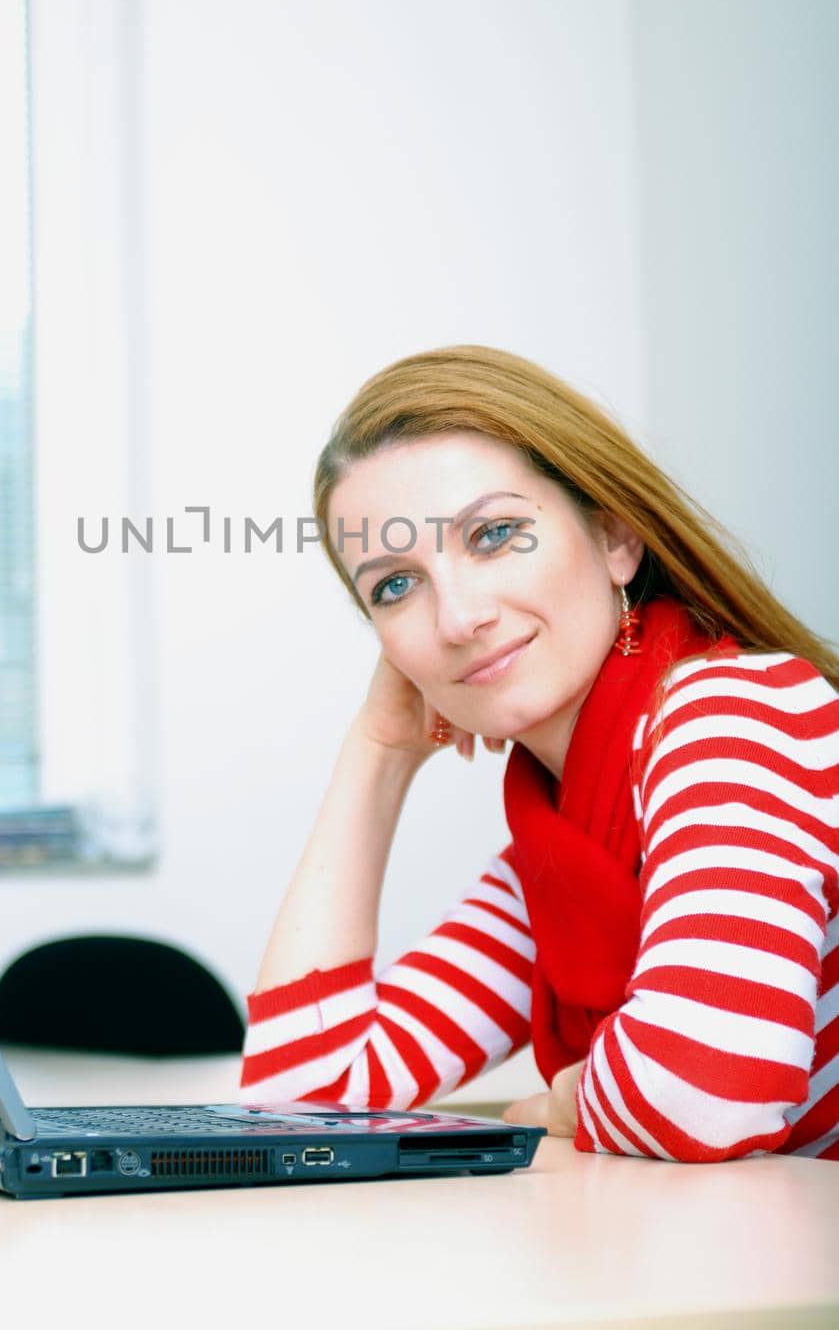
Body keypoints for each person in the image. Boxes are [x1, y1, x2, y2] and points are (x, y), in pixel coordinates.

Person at [238, 344, 839, 1162]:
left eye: (492, 535)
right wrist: (376, 755)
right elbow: (293, 1110)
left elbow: (700, 1096)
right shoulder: (555, 855)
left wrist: (553, 1104)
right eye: (393, 585)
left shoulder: (735, 714)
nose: (456, 617)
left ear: (614, 537)